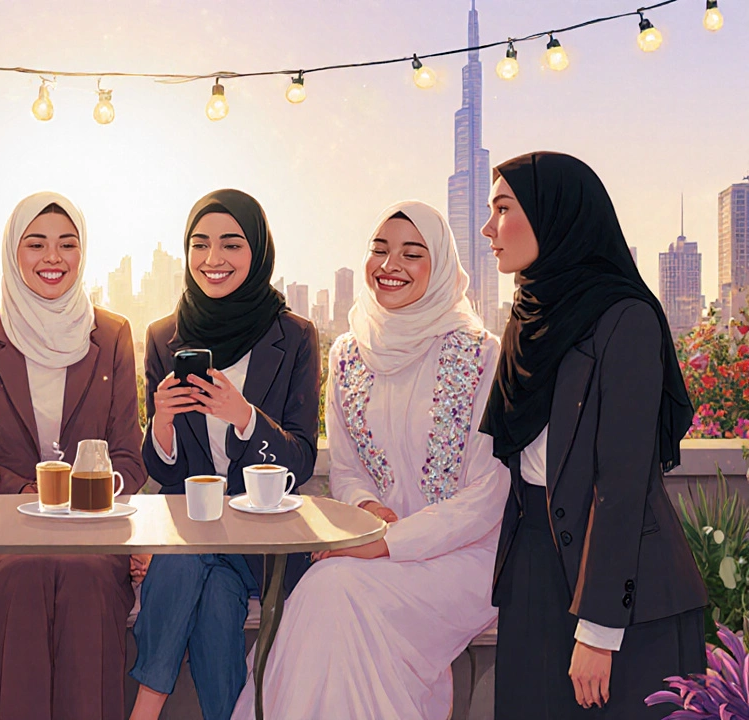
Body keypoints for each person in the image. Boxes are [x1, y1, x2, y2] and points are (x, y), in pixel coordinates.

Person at [231, 201, 508, 719]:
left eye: (412, 253)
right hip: (370, 552)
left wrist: (389, 543)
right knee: (330, 592)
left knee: (334, 592)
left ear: (442, 265)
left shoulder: (481, 353)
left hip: (465, 558)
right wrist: (365, 507)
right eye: (379, 250)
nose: (390, 265)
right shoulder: (350, 354)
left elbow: (488, 494)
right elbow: (349, 467)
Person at [479, 152, 707, 719]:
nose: (488, 228)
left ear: (553, 214)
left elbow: (623, 483)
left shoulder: (625, 318)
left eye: (503, 209)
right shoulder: (528, 315)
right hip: (534, 563)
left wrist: (600, 630)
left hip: (619, 583)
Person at [0, 192, 145, 720]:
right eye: (35, 244)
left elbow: (129, 457)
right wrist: (36, 496)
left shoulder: (112, 336)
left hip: (91, 532)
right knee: (21, 575)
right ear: (13, 254)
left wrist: (76, 498)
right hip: (1, 536)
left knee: (84, 578)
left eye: (67, 244)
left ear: (84, 254)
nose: (52, 258)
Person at [129, 189, 320, 720]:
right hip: (200, 539)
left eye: (231, 244)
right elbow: (163, 473)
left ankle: (144, 710)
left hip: (264, 543)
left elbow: (302, 460)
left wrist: (244, 416)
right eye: (200, 244)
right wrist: (161, 422)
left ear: (258, 251)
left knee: (187, 558)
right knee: (212, 599)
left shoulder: (296, 337)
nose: (213, 260)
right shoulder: (163, 336)